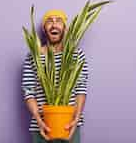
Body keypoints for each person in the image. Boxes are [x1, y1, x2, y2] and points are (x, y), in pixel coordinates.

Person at [21, 10, 89, 143]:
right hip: (41, 127)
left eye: (58, 21)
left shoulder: (77, 55)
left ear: (65, 27)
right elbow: (28, 92)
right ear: (44, 28)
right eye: (49, 21)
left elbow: (81, 89)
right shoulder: (33, 56)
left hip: (69, 126)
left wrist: (76, 119)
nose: (54, 24)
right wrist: (38, 120)